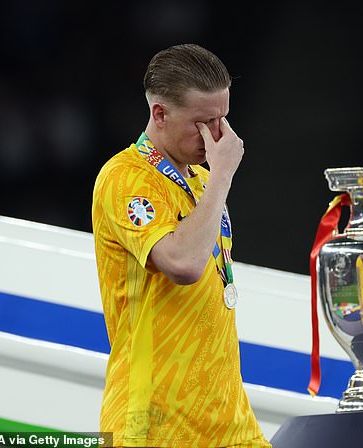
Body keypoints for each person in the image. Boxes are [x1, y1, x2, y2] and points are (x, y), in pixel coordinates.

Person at [91, 44, 270, 447]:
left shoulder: (202, 182)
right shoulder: (125, 178)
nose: (217, 136)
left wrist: (215, 178)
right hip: (155, 423)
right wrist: (223, 174)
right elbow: (184, 264)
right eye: (203, 122)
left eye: (223, 119)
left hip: (228, 419)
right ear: (160, 114)